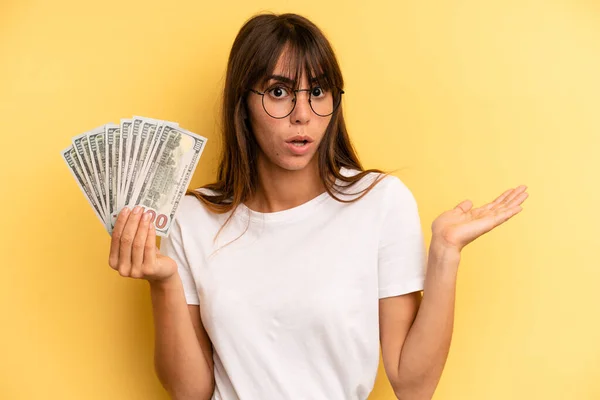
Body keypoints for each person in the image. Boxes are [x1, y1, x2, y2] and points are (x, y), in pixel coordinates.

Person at [107, 12, 529, 400]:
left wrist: (444, 254)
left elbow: (412, 386)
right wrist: (163, 284)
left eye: (319, 91)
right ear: (243, 102)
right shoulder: (194, 219)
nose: (302, 114)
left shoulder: (380, 203)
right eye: (278, 92)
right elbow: (191, 391)